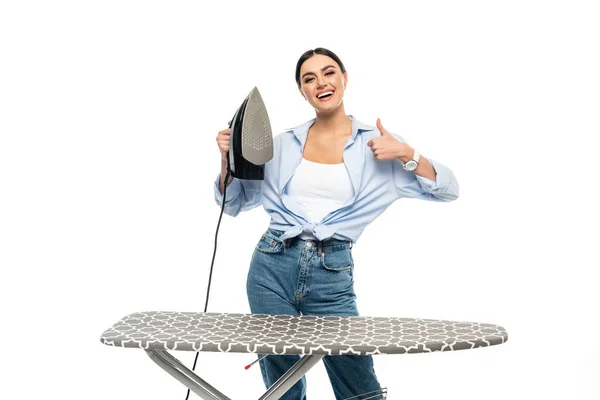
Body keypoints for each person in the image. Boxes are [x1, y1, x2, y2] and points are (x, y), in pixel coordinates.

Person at [214, 47, 459, 400]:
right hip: (271, 265)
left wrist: (408, 154)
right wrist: (227, 159)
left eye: (329, 73)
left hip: (332, 272)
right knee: (282, 382)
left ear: (344, 78)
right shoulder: (281, 145)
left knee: (357, 381)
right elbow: (233, 202)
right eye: (309, 78)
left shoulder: (378, 146)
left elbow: (448, 189)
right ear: (302, 90)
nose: (321, 83)